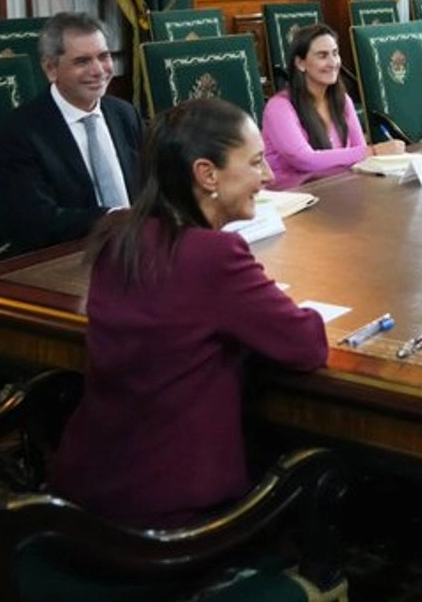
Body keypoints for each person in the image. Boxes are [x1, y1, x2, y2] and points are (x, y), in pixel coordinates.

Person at [51, 98, 329, 528]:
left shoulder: (118, 237)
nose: (269, 176)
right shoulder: (213, 255)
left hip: (89, 491)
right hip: (172, 512)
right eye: (255, 162)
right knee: (324, 473)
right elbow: (306, 345)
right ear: (207, 174)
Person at [0, 11, 144, 251]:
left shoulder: (124, 114)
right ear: (51, 69)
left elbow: (155, 181)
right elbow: (36, 221)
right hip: (74, 255)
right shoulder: (18, 133)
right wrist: (112, 219)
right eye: (82, 61)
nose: (99, 70)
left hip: (142, 246)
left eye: (104, 56)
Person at [261, 23, 404, 189]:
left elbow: (360, 151)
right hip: (294, 195)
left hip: (337, 188)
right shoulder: (279, 107)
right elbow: (304, 160)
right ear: (300, 63)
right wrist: (374, 151)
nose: (333, 62)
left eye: (335, 53)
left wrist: (369, 153)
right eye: (322, 56)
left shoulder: (343, 100)